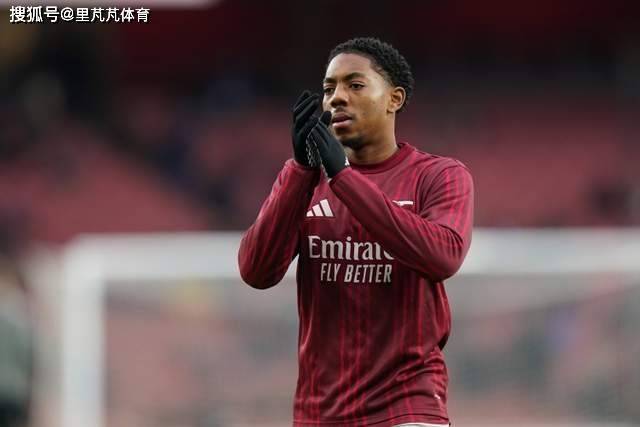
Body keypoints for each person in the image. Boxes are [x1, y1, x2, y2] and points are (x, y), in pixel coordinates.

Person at [238, 37, 474, 427]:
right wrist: (301, 170)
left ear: (394, 98)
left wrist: (343, 177)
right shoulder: (305, 180)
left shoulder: (439, 175)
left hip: (407, 408)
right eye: (329, 88)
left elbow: (443, 256)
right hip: (318, 414)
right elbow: (256, 271)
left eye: (355, 85)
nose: (336, 98)